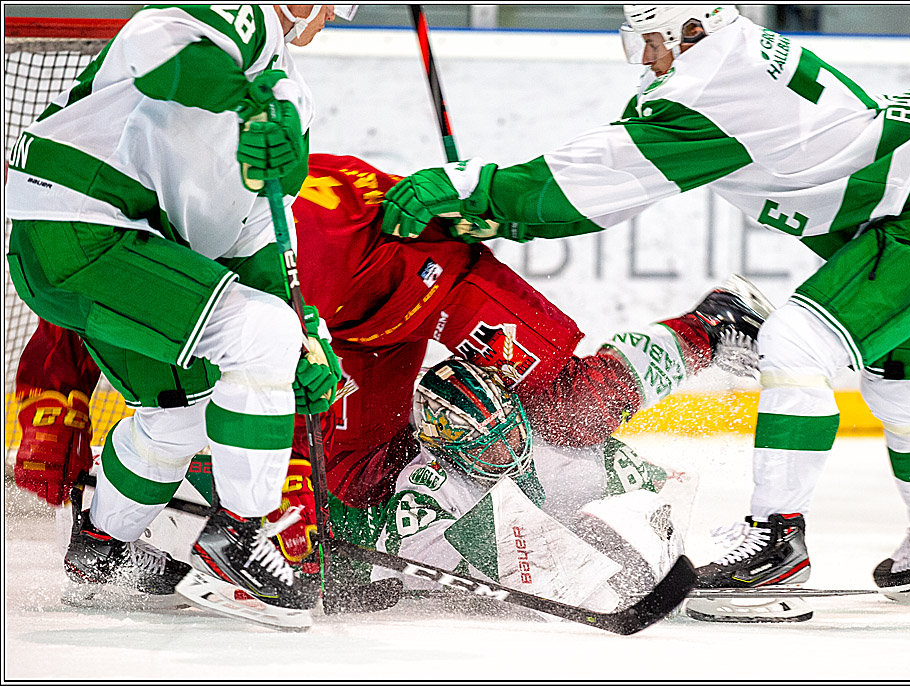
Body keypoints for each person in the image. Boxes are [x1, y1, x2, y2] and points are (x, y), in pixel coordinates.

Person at [378, 4, 910, 619]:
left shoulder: (712, 87)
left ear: (693, 28)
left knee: (793, 345)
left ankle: (776, 543)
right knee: (905, 397)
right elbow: (611, 163)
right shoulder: (720, 62)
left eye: (654, 40)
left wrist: (477, 189)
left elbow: (597, 181)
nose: (648, 57)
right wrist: (497, 211)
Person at [12, 153, 772, 613]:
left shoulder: (219, 227)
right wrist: (52, 406)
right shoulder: (174, 224)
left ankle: (713, 322)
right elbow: (88, 309)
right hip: (335, 322)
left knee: (574, 407)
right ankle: (446, 501)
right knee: (354, 477)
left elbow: (260, 383)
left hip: (431, 276)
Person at [5, 5, 358, 631]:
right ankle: (238, 540)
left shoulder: (292, 97)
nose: (335, 18)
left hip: (114, 255)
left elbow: (256, 239)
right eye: (338, 4)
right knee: (260, 336)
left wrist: (310, 339)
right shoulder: (241, 18)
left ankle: (100, 551)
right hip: (85, 227)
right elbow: (158, 47)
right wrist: (246, 101)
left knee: (185, 411)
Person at [367, 357, 693, 614]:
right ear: (447, 450)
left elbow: (659, 485)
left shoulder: (554, 448)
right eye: (486, 445)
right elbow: (414, 561)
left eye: (509, 432)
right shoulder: (428, 481)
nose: (507, 450)